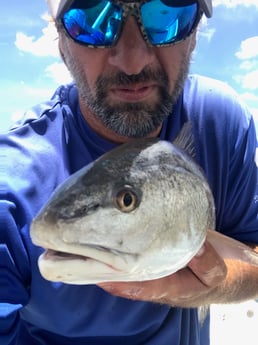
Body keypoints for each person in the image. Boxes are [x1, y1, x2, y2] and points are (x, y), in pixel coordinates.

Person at [1, 0, 258, 344]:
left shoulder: (220, 123)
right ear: (61, 41)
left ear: (195, 33)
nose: (133, 60)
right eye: (94, 19)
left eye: (167, 14)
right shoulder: (10, 186)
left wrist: (212, 285)